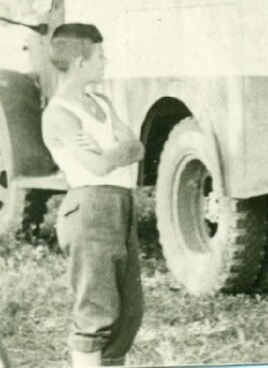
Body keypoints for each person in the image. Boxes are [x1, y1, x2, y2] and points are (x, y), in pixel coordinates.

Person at [40, 24, 144, 367]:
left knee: (128, 313)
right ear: (80, 63)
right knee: (96, 312)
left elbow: (137, 147)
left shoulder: (100, 101)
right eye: (100, 55)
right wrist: (117, 151)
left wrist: (109, 151)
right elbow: (96, 167)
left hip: (119, 205)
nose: (106, 61)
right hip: (89, 209)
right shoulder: (58, 114)